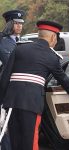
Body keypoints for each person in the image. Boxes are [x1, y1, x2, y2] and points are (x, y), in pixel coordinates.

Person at [0, 20, 69, 150]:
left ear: (39, 34)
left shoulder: (19, 48)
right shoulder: (51, 56)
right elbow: (62, 78)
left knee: (15, 141)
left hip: (12, 103)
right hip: (32, 104)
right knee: (30, 142)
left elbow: (4, 76)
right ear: (53, 37)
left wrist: (2, 103)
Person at [0, 9, 25, 150]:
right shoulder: (2, 41)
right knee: (5, 126)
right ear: (9, 24)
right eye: (16, 23)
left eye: (21, 23)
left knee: (15, 125)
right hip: (4, 91)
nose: (20, 26)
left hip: (18, 92)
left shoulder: (21, 42)